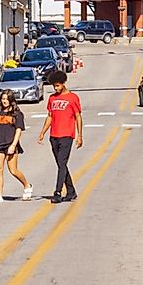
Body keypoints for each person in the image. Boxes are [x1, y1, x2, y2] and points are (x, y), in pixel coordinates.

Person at [46, 73, 85, 202]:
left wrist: (79, 135)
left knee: (62, 163)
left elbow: (78, 117)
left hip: (67, 135)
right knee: (61, 164)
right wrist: (42, 132)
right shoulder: (52, 98)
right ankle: (71, 191)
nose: (56, 88)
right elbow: (50, 116)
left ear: (63, 83)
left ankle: (57, 192)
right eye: (54, 86)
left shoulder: (72, 98)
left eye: (57, 86)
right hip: (54, 135)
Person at [0, 90, 29, 201]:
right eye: (3, 99)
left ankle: (27, 185)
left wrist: (13, 145)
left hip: (10, 144)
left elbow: (18, 130)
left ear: (11, 100)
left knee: (13, 170)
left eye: (6, 99)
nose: (4, 101)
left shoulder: (17, 114)